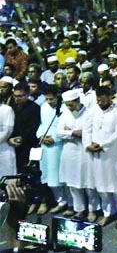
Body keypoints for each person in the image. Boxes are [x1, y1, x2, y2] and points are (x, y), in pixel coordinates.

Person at [83, 85, 117, 228]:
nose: (100, 103)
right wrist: (88, 145)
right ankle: (108, 213)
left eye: (103, 100)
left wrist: (101, 144)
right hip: (96, 155)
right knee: (101, 187)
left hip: (113, 155)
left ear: (110, 97)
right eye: (98, 101)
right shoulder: (92, 111)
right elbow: (87, 130)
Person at [56, 89, 100, 221]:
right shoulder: (65, 114)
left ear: (78, 101)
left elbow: (90, 132)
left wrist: (71, 131)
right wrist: (73, 133)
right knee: (73, 184)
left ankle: (92, 210)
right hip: (69, 152)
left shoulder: (89, 113)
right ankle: (79, 209)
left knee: (89, 183)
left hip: (85, 152)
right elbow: (58, 132)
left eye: (71, 104)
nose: (69, 107)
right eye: (67, 104)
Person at [36, 85, 68, 215]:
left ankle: (66, 202)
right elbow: (42, 124)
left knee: (59, 176)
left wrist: (55, 138)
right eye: (47, 99)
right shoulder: (43, 107)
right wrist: (40, 136)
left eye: (52, 99)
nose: (49, 102)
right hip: (45, 145)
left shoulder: (64, 108)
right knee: (47, 175)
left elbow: (65, 127)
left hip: (58, 146)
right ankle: (59, 200)